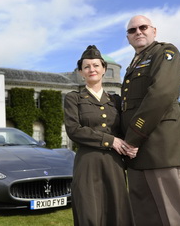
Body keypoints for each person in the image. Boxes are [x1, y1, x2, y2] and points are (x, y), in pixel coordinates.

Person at [121, 15, 180, 226]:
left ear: (153, 31)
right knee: (145, 216)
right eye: (132, 30)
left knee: (177, 217)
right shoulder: (133, 65)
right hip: (137, 155)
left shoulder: (165, 52)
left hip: (163, 150)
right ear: (128, 38)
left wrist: (132, 138)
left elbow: (161, 94)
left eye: (143, 27)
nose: (138, 31)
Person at [64, 45, 136, 226]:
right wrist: (109, 140)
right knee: (90, 212)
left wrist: (132, 145)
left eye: (96, 65)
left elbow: (124, 130)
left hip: (114, 164)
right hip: (87, 163)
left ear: (104, 69)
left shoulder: (116, 100)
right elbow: (74, 130)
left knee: (117, 211)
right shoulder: (74, 98)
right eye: (87, 66)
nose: (92, 69)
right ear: (81, 72)